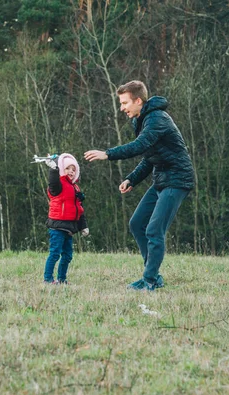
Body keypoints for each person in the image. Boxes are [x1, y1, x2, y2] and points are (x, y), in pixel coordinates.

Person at [84, 80, 194, 291]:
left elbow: (139, 146)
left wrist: (107, 154)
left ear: (138, 100)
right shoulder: (141, 121)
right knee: (137, 223)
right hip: (161, 178)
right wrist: (132, 179)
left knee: (154, 230)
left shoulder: (157, 119)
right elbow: (149, 156)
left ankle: (150, 281)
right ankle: (151, 276)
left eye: (125, 103)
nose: (122, 108)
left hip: (178, 179)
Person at [43, 153, 89, 284]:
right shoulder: (58, 185)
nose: (71, 172)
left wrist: (83, 226)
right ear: (63, 169)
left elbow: (79, 209)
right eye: (68, 168)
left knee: (67, 255)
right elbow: (52, 183)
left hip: (69, 228)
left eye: (74, 169)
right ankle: (48, 279)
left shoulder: (75, 188)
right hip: (57, 226)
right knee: (55, 254)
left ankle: (62, 279)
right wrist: (53, 169)